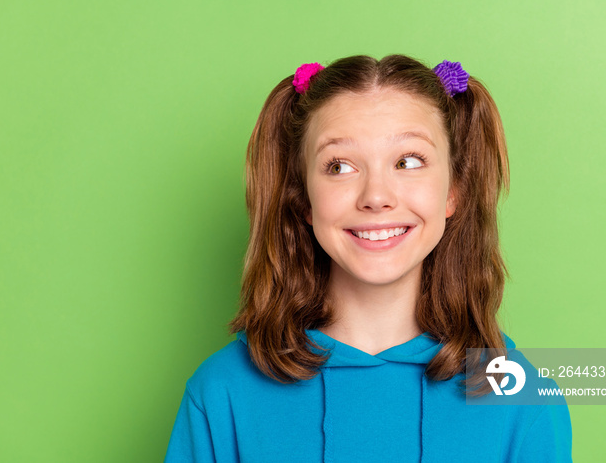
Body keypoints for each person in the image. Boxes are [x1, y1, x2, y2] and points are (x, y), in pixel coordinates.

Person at [163, 54, 573, 462]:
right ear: (304, 198)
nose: (376, 196)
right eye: (339, 166)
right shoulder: (221, 393)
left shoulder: (523, 401)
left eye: (408, 161)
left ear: (453, 191)